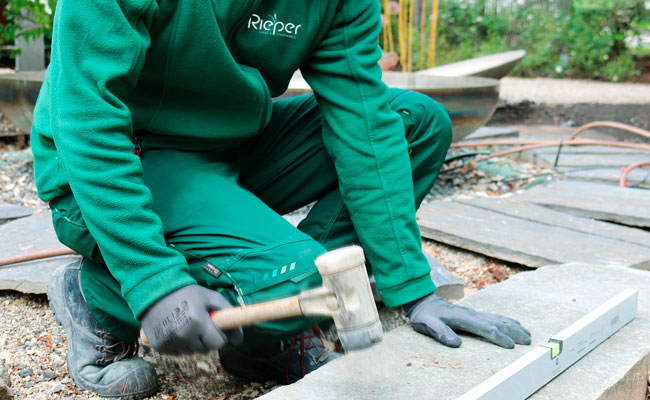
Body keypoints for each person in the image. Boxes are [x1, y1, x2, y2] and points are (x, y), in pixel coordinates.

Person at [31, 0, 531, 398]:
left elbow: (364, 123)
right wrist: (152, 281)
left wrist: (412, 288)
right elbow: (88, 117)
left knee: (414, 124)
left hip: (233, 147)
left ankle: (269, 323)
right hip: (115, 159)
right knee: (300, 275)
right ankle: (99, 294)